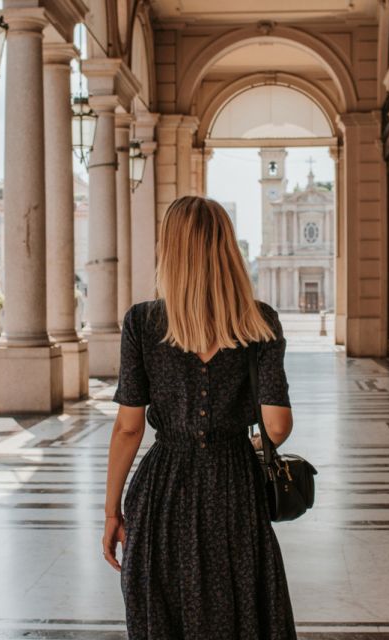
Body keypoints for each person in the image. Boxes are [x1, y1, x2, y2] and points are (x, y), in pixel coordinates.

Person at [102, 195, 298, 639]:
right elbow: (277, 427)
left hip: (162, 489)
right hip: (234, 486)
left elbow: (129, 427)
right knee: (240, 608)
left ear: (169, 250)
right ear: (227, 249)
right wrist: (235, 442)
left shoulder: (142, 323)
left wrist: (111, 510)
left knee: (165, 610)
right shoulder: (259, 322)